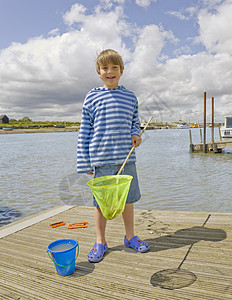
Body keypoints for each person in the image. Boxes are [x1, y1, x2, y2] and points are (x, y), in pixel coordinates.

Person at [77, 49, 150, 263]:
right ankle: (101, 241)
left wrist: (136, 134)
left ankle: (130, 237)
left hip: (126, 159)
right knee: (101, 204)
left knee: (128, 200)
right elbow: (85, 131)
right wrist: (85, 162)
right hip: (101, 160)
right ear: (99, 72)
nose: (110, 72)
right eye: (105, 68)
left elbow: (134, 122)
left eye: (114, 68)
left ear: (121, 71)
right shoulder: (92, 97)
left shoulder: (130, 97)